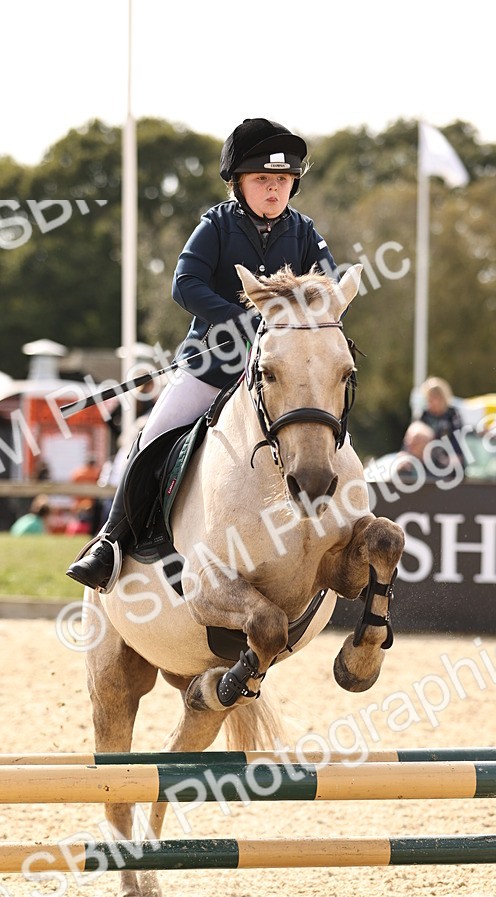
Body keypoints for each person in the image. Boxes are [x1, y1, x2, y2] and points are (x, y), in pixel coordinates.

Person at [67, 116, 338, 590]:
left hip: (281, 380)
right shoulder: (215, 225)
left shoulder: (303, 230)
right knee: (151, 438)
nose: (274, 191)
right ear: (239, 183)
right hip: (213, 368)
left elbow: (329, 285)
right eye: (263, 181)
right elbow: (184, 285)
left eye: (282, 181)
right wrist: (246, 320)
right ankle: (110, 542)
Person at [419, 376, 464, 465]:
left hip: (449, 461)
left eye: (435, 398)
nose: (431, 402)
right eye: (429, 398)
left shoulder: (453, 415)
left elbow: (458, 438)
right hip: (427, 460)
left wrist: (452, 457)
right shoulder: (424, 416)